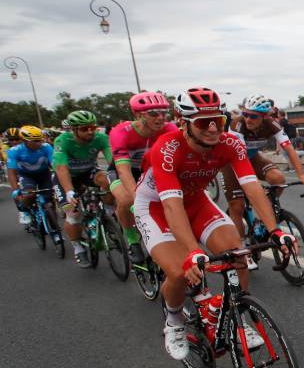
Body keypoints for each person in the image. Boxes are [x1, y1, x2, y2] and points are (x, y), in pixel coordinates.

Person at [133, 88, 297, 361]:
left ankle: (238, 316)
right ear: (184, 122)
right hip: (157, 207)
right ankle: (174, 321)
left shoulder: (231, 142)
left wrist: (276, 231)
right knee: (178, 272)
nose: (212, 129)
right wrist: (192, 251)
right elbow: (172, 206)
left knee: (237, 252)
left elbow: (253, 188)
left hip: (196, 201)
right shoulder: (167, 147)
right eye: (203, 122)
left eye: (218, 121)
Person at [222, 95, 304, 266]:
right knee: (237, 206)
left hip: (253, 157)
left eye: (253, 116)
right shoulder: (237, 125)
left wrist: (301, 175)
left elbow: (289, 148)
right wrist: (254, 188)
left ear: (264, 117)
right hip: (232, 162)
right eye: (245, 114)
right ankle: (242, 248)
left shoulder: (271, 124)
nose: (248, 119)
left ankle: (264, 217)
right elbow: (241, 159)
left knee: (278, 178)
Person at [108, 92, 179, 264]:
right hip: (124, 172)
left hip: (148, 171)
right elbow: (123, 170)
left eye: (163, 113)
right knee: (127, 200)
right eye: (154, 113)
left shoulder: (170, 129)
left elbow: (177, 162)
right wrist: (137, 199)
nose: (160, 117)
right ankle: (132, 240)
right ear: (138, 115)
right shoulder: (120, 132)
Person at [52, 110, 116, 267]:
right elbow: (61, 168)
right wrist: (69, 191)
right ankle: (78, 248)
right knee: (73, 213)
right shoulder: (63, 141)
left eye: (92, 127)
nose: (90, 131)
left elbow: (113, 161)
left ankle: (108, 213)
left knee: (109, 180)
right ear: (74, 130)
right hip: (67, 176)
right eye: (84, 128)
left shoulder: (101, 138)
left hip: (88, 172)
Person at [6, 126, 55, 227]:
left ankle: (55, 229)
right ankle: (24, 211)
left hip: (44, 174)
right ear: (25, 141)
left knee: (50, 200)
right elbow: (11, 172)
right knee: (30, 195)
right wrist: (15, 190)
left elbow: (54, 165)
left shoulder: (47, 147)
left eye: (40, 140)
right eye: (36, 141)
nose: (39, 143)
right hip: (26, 176)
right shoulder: (14, 150)